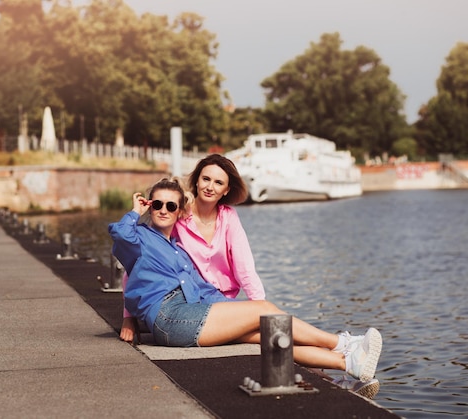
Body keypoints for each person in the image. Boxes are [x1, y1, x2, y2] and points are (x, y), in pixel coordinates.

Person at [108, 178, 383, 382]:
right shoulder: (140, 238)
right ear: (149, 205)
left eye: (171, 205)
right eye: (157, 204)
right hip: (168, 318)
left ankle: (347, 363)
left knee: (267, 333)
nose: (163, 210)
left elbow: (203, 291)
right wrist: (135, 211)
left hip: (188, 313)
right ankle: (342, 342)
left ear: (180, 211)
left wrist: (236, 311)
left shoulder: (178, 251)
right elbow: (119, 235)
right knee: (264, 310)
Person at [119, 154, 265, 342]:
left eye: (218, 183)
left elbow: (245, 269)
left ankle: (314, 350)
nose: (210, 187)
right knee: (263, 335)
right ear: (196, 181)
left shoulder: (229, 217)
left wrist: (259, 306)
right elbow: (139, 262)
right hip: (188, 302)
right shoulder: (177, 213)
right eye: (206, 179)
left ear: (226, 190)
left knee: (269, 329)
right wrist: (128, 318)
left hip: (221, 301)